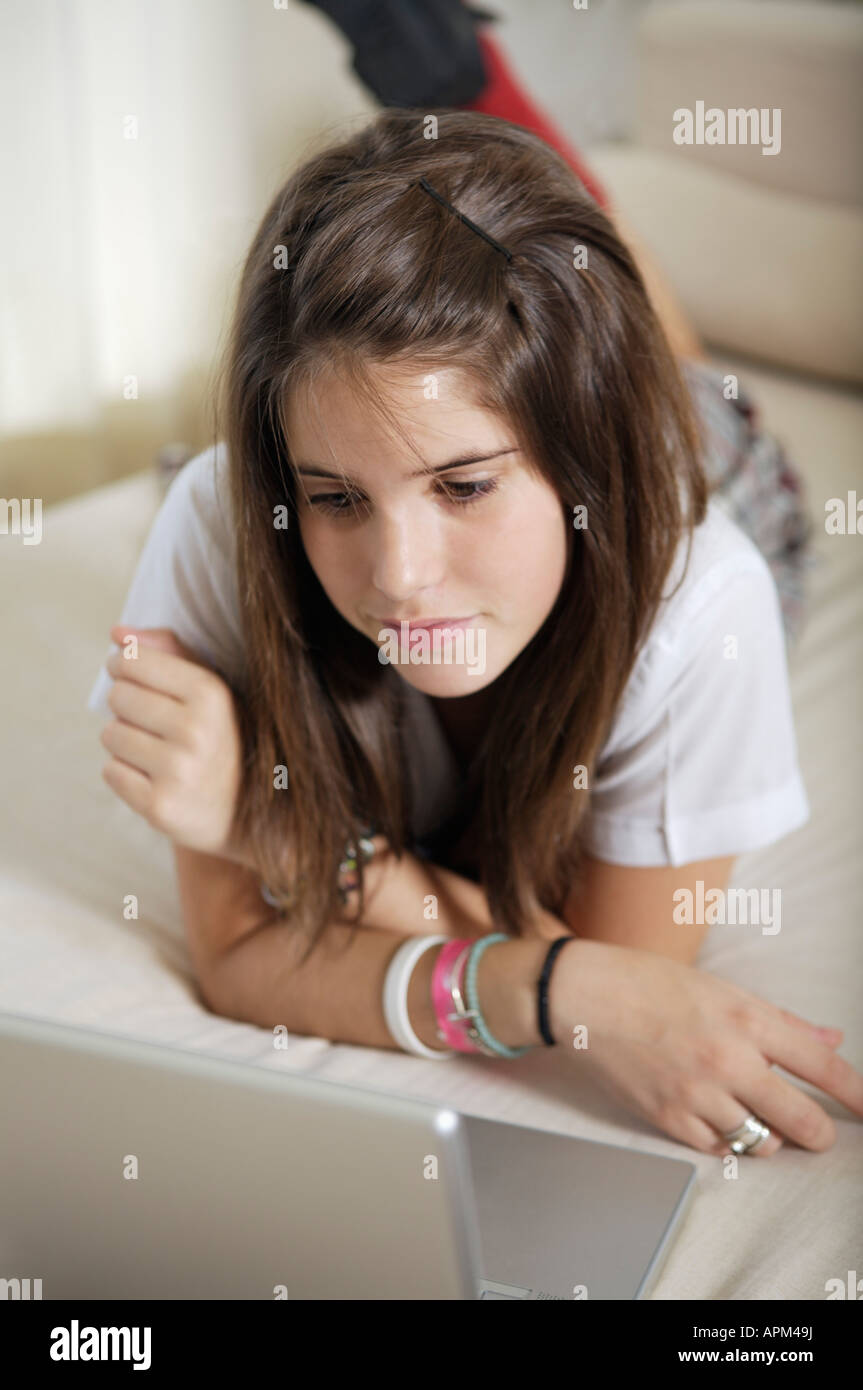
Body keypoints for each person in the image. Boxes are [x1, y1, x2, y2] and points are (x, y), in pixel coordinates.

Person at [88, 109, 863, 1163]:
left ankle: (561, 178)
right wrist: (554, 982)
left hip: (701, 461)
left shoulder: (701, 598)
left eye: (463, 486)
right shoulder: (225, 522)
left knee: (691, 390)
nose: (398, 578)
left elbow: (625, 997)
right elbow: (238, 960)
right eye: (336, 498)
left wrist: (277, 835)